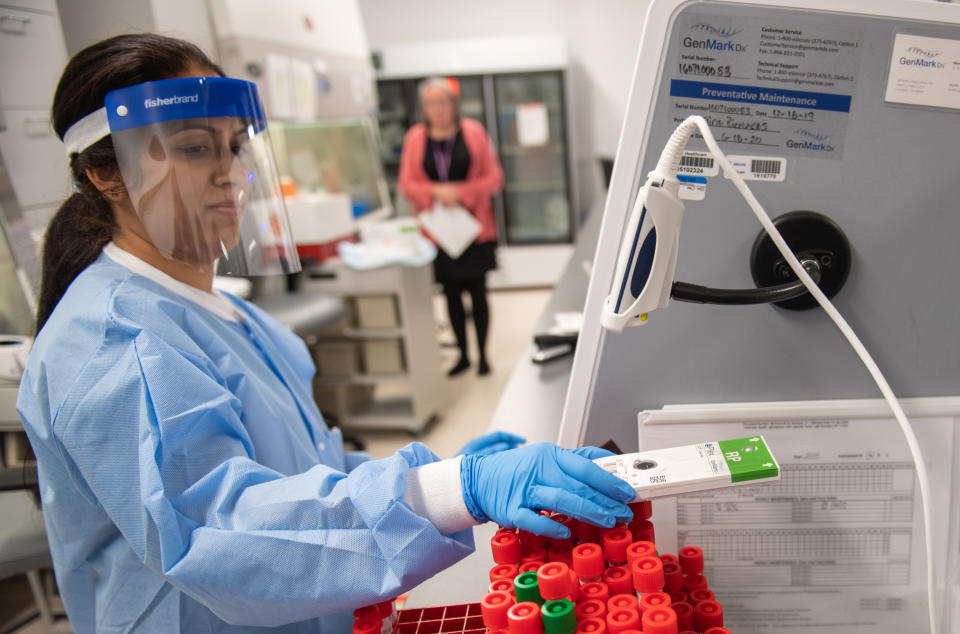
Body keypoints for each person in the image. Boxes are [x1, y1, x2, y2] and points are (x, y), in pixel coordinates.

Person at [16, 35, 636, 633]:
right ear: (107, 173)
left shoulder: (223, 313)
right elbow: (223, 530)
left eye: (236, 147)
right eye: (194, 148)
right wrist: (459, 491)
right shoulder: (116, 341)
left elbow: (305, 467)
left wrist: (440, 475)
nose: (230, 173)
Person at [398, 77, 503, 377]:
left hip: (473, 229)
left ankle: (483, 355)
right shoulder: (416, 138)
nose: (438, 110)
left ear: (453, 105)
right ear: (424, 108)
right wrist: (434, 192)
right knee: (451, 295)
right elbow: (407, 185)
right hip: (439, 233)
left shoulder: (473, 132)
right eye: (431, 104)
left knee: (478, 292)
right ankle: (463, 356)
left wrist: (461, 191)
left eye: (442, 102)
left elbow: (494, 179)